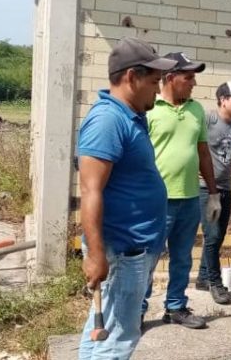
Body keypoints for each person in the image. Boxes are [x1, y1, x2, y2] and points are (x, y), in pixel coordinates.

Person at [77, 37, 177, 359]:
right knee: (117, 341)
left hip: (133, 250)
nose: (158, 89)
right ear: (132, 77)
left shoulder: (132, 115)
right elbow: (90, 190)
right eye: (153, 81)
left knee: (101, 331)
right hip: (122, 251)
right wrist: (95, 255)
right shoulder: (108, 121)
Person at [142, 52, 221, 330]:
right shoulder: (150, 108)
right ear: (170, 78)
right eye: (189, 77)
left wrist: (213, 193)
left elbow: (203, 151)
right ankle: (137, 310)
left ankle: (175, 307)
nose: (194, 83)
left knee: (183, 257)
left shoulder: (196, 110)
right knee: (148, 258)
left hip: (189, 198)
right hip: (157, 200)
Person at [194, 81, 231, 305]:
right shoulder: (208, 119)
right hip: (204, 186)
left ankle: (202, 278)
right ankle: (216, 284)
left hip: (226, 187)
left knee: (218, 235)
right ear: (222, 99)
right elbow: (195, 146)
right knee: (212, 236)